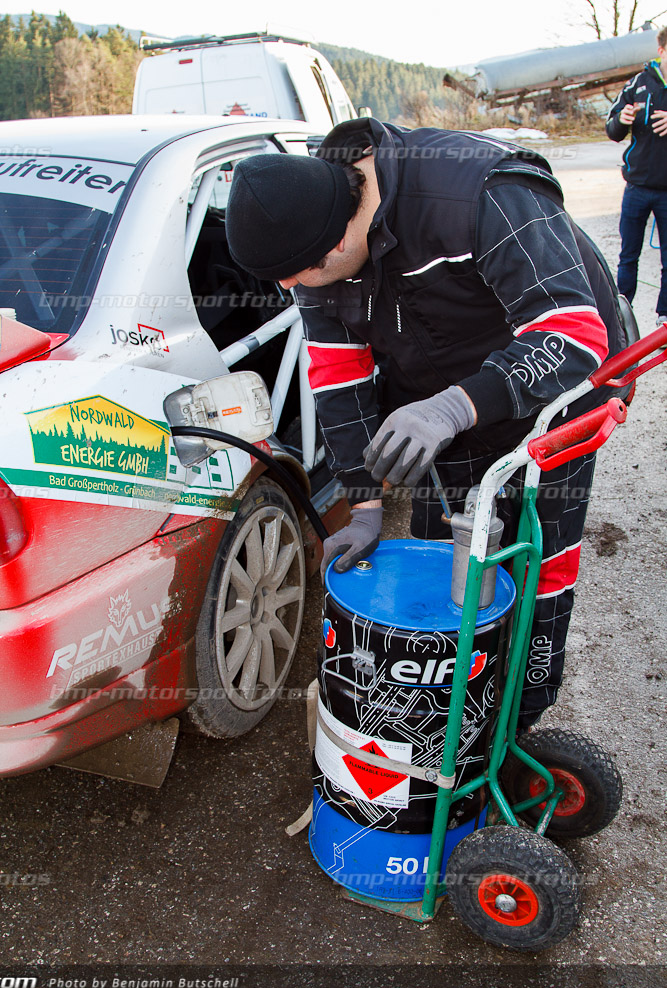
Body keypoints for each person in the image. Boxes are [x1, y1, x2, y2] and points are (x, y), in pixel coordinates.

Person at [225, 118, 629, 730]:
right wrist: (362, 503)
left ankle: (520, 718)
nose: (288, 288)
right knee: (446, 565)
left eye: (295, 275)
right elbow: (340, 381)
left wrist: (451, 407)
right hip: (444, 401)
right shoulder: (313, 239)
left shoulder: (477, 192)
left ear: (335, 244)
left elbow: (571, 334)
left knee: (539, 559)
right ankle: (447, 724)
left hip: (560, 388)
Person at [606, 26, 667, 325]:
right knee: (628, 256)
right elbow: (612, 130)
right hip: (637, 187)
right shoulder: (638, 84)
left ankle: (664, 318)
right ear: (661, 51)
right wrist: (621, 120)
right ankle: (621, 315)